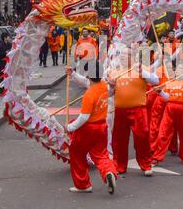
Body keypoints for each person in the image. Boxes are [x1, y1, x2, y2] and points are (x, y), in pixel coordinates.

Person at [65, 60, 117, 194]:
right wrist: (73, 74)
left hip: (88, 128)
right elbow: (110, 92)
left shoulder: (89, 94)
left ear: (89, 74)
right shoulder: (104, 86)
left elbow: (83, 117)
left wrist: (70, 127)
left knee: (76, 153)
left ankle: (83, 184)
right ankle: (109, 172)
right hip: (102, 127)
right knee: (101, 154)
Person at [108, 46, 159, 176]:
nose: (123, 58)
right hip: (120, 110)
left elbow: (156, 81)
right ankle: (119, 165)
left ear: (133, 57)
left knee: (142, 137)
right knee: (119, 139)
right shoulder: (114, 72)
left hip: (138, 110)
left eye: (127, 55)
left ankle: (146, 164)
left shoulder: (141, 69)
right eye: (122, 56)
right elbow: (108, 94)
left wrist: (143, 73)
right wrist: (111, 85)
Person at [152, 64, 183, 165]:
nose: (176, 72)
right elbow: (167, 97)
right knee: (163, 133)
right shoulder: (170, 82)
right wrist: (160, 92)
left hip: (182, 109)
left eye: (179, 70)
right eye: (175, 70)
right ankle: (157, 157)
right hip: (170, 109)